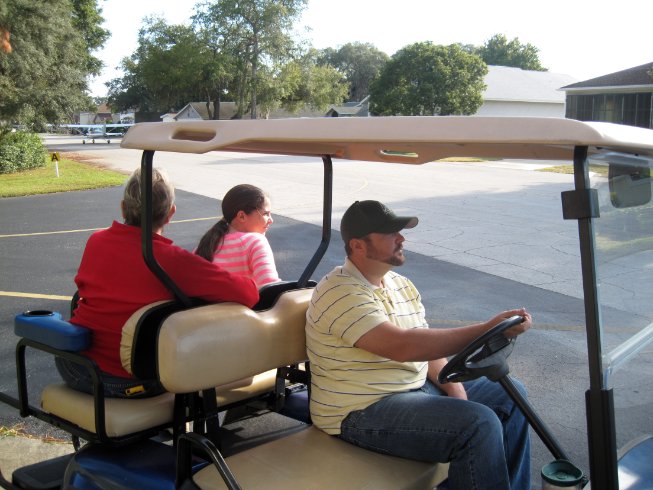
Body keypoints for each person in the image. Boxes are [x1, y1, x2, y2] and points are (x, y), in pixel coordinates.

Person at [305, 200, 533, 490]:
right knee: (478, 424)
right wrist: (486, 328)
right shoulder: (339, 291)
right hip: (359, 410)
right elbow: (403, 346)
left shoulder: (400, 284)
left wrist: (455, 388)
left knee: (512, 396)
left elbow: (426, 347)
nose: (402, 238)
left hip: (413, 391)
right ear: (358, 246)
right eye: (390, 233)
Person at [56, 168, 259, 398]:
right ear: (171, 213)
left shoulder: (96, 241)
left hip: (73, 366)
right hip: (128, 382)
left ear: (123, 207)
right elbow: (249, 294)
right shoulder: (173, 260)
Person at [195, 184, 280, 289]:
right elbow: (271, 288)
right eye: (266, 214)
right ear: (241, 216)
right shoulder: (255, 241)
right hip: (243, 305)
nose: (271, 220)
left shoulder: (204, 246)